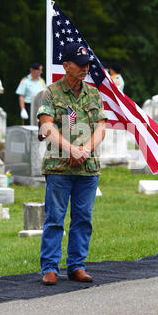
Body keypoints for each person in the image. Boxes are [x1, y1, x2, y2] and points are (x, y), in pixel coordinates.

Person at [37, 43, 107, 286]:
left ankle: (77, 265)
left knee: (83, 218)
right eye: (80, 64)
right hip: (59, 168)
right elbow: (47, 126)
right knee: (55, 218)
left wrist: (85, 150)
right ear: (66, 66)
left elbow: (101, 127)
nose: (85, 68)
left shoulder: (93, 93)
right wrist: (71, 149)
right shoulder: (51, 92)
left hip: (88, 168)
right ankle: (50, 268)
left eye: (87, 64)